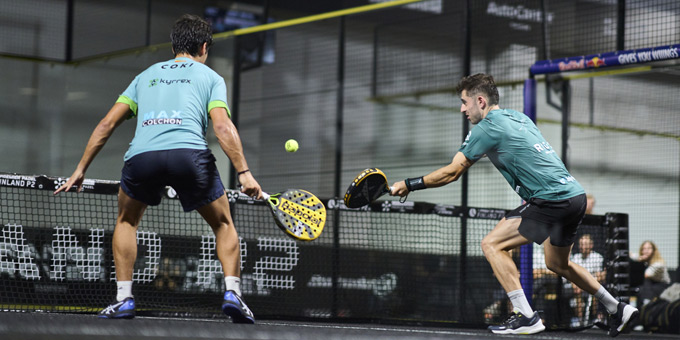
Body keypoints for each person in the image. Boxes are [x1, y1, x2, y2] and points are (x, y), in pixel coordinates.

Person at [389, 73, 638, 336]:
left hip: (550, 199)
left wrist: (409, 184)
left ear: (480, 101)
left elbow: (452, 172)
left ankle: (526, 315)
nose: (462, 108)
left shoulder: (485, 128)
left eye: (465, 102)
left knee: (491, 244)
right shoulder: (519, 117)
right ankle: (617, 308)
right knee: (557, 264)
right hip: (574, 196)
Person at [54, 14, 261, 323]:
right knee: (223, 224)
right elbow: (222, 127)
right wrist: (244, 172)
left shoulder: (145, 75)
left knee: (127, 221)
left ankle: (124, 299)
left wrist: (80, 168)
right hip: (188, 156)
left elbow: (106, 124)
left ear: (174, 45)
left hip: (143, 158)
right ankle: (233, 293)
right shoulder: (211, 78)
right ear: (204, 47)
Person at [569, 234, 606, 325]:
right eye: (581, 244)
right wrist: (575, 284)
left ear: (591, 245)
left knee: (595, 291)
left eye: (585, 244)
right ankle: (580, 320)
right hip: (578, 287)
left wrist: (586, 285)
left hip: (592, 287)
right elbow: (571, 275)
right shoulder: (576, 258)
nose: (582, 246)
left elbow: (601, 276)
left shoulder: (597, 257)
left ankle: (595, 318)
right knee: (576, 292)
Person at [633, 241, 671, 306]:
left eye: (648, 248)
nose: (646, 251)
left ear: (654, 250)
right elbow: (631, 255)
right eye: (644, 249)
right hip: (650, 285)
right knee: (640, 289)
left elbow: (646, 275)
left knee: (644, 286)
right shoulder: (645, 260)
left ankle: (646, 302)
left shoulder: (659, 264)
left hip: (662, 285)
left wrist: (641, 260)